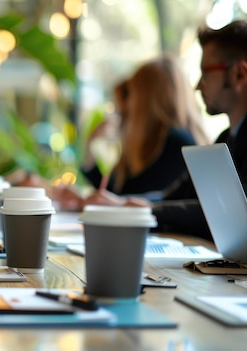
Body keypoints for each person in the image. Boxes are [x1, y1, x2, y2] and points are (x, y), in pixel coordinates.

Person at [82, 20, 247, 240]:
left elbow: (234, 215)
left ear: (239, 74)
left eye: (206, 73)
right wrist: (135, 206)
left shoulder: (179, 141)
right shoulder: (225, 140)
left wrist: (142, 209)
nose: (198, 85)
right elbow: (178, 196)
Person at [81, 55, 207, 194]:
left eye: (132, 93)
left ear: (146, 100)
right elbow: (118, 191)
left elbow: (127, 195)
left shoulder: (178, 144)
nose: (128, 104)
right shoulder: (154, 143)